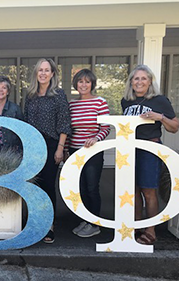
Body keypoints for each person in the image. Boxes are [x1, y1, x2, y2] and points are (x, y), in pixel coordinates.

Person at [121, 64, 179, 245]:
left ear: (150, 81)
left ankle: (151, 230)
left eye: (143, 78)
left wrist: (160, 117)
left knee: (148, 190)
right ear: (131, 82)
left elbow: (175, 127)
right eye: (136, 78)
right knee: (133, 191)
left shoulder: (159, 100)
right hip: (129, 150)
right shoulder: (126, 101)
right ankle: (136, 226)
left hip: (149, 149)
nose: (139, 82)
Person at [24, 58, 71, 244]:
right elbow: (26, 121)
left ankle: (50, 224)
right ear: (36, 73)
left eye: (47, 70)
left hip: (52, 144)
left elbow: (64, 122)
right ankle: (36, 222)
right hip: (34, 145)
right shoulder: (30, 95)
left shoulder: (58, 94)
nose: (43, 73)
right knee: (35, 185)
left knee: (48, 185)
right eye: (40, 70)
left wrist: (60, 148)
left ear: (52, 74)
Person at [67, 69, 110, 238]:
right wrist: (65, 150)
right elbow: (68, 129)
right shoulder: (72, 104)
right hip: (74, 151)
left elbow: (106, 127)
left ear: (92, 84)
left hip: (93, 151)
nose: (83, 85)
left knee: (92, 187)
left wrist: (95, 139)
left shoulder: (100, 102)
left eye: (87, 81)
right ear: (75, 84)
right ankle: (85, 220)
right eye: (80, 81)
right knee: (80, 188)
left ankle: (94, 224)